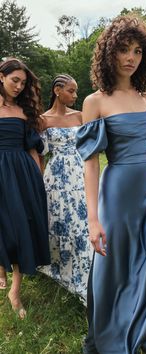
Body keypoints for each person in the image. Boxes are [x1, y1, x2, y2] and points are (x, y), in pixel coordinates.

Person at [76, 15, 146, 354]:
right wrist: (93, 218)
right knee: (117, 270)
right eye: (124, 49)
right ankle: (113, 337)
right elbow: (91, 164)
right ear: (109, 53)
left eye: (138, 51)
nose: (131, 57)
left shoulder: (144, 96)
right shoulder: (95, 101)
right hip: (118, 195)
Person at [0, 58, 50, 318]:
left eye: (23, 82)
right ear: (1, 76)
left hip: (21, 175)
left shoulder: (23, 112)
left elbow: (32, 150)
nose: (19, 86)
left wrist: (37, 181)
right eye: (14, 80)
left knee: (21, 227)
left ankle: (15, 292)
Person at [39, 74, 92, 303]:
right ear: (58, 90)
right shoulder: (43, 120)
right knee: (59, 220)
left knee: (82, 221)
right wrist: (38, 183)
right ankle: (60, 261)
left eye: (76, 91)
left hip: (80, 173)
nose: (75, 95)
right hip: (56, 176)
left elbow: (91, 149)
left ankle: (86, 266)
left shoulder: (81, 116)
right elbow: (40, 156)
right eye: (71, 91)